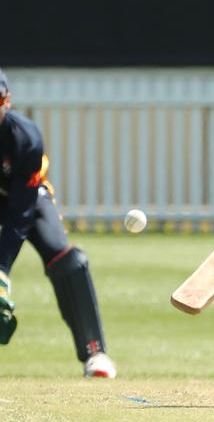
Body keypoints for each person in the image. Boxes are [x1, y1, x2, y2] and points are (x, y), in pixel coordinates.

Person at [0, 69, 116, 378]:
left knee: (68, 262)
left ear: (7, 101)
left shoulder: (25, 138)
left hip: (25, 199)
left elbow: (20, 214)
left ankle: (95, 353)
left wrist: (2, 270)